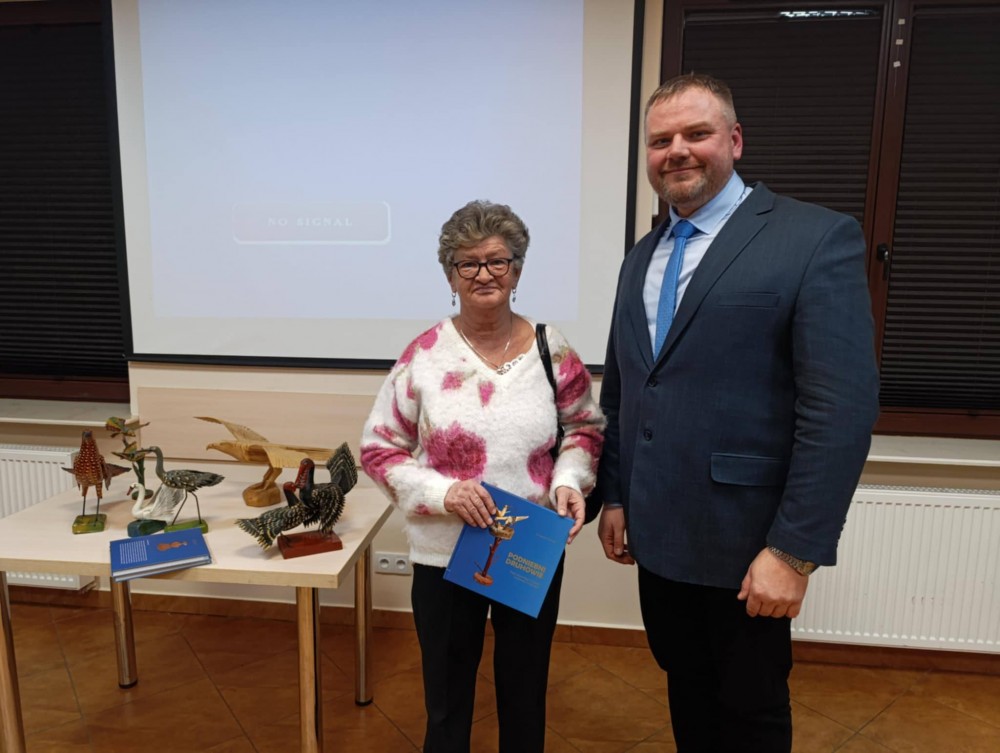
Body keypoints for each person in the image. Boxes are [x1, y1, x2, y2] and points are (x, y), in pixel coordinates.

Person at [594, 74, 880, 752]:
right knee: (687, 694)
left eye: (696, 133)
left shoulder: (814, 238)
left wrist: (793, 552)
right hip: (658, 540)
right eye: (660, 140)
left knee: (750, 713)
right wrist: (616, 495)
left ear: (735, 140)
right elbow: (626, 390)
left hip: (747, 545)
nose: (676, 150)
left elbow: (839, 410)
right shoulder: (642, 257)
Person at [360, 199, 605, 753]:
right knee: (447, 703)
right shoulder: (424, 355)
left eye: (497, 261)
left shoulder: (551, 348)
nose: (484, 274)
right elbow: (378, 448)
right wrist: (444, 492)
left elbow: (584, 429)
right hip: (444, 554)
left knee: (525, 692)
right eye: (467, 263)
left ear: (517, 270)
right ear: (450, 276)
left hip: (529, 543)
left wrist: (569, 481)